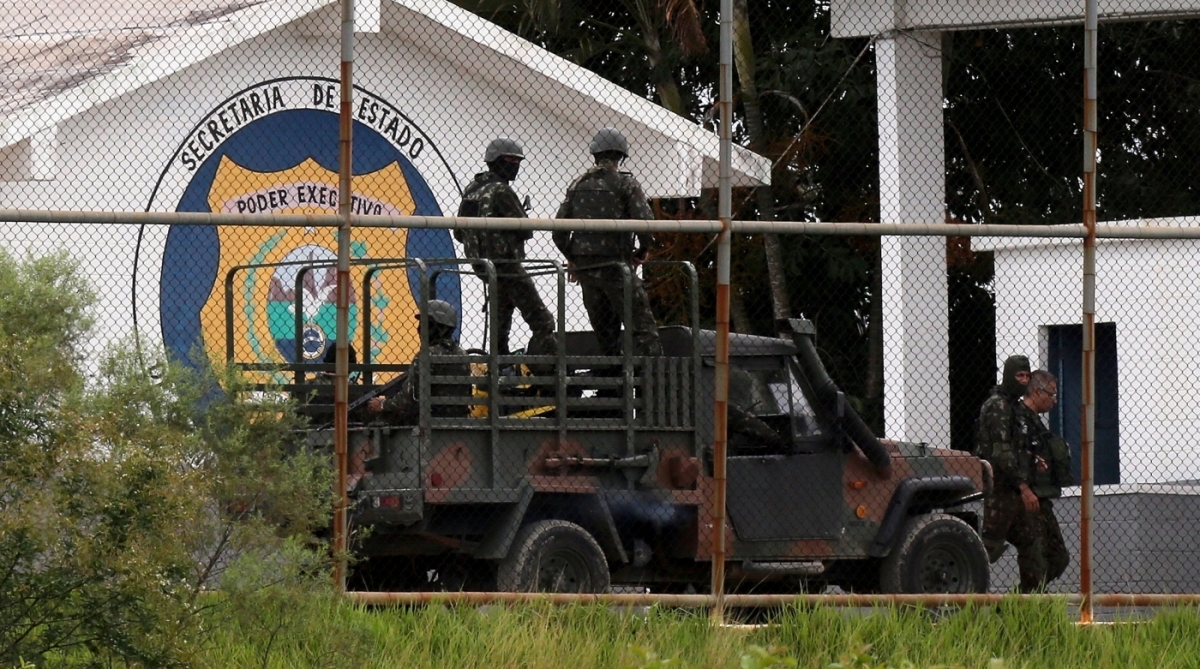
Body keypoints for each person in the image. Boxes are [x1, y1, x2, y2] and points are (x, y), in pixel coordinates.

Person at [553, 128, 662, 358]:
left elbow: (559, 230)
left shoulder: (578, 185)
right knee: (642, 328)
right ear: (621, 156)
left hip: (587, 269)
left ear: (595, 154)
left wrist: (572, 258)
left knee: (605, 332)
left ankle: (611, 384)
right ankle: (653, 385)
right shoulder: (626, 184)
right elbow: (645, 224)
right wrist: (642, 251)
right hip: (616, 265)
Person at [456, 137, 557, 357]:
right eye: (511, 160)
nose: (515, 165)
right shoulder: (501, 191)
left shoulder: (472, 188)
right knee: (542, 320)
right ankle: (552, 368)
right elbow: (525, 229)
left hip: (483, 266)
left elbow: (458, 232)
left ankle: (500, 363)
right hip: (507, 265)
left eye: (517, 161)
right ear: (497, 160)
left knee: (500, 321)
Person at [366, 300, 471, 424]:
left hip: (427, 421)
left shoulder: (426, 355)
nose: (419, 329)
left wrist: (383, 404)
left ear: (437, 328)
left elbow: (409, 399)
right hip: (458, 420)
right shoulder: (462, 354)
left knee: (376, 418)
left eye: (426, 325)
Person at [976, 355, 1037, 569]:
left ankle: (1028, 600)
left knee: (1031, 541)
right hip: (1000, 487)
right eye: (1019, 375)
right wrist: (1024, 487)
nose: (1024, 380)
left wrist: (1033, 459)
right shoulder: (999, 406)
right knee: (988, 547)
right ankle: (967, 595)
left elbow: (1016, 445)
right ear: (1009, 376)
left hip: (1012, 488)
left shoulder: (1014, 406)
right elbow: (1001, 452)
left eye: (1027, 376)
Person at [1014, 369, 1071, 592]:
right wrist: (1024, 489)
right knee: (1035, 560)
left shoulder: (1036, 423)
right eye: (1051, 394)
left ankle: (1020, 599)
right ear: (1037, 391)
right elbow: (1013, 459)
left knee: (1059, 557)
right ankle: (1025, 603)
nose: (1054, 400)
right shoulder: (1018, 419)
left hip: (1041, 497)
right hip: (1025, 499)